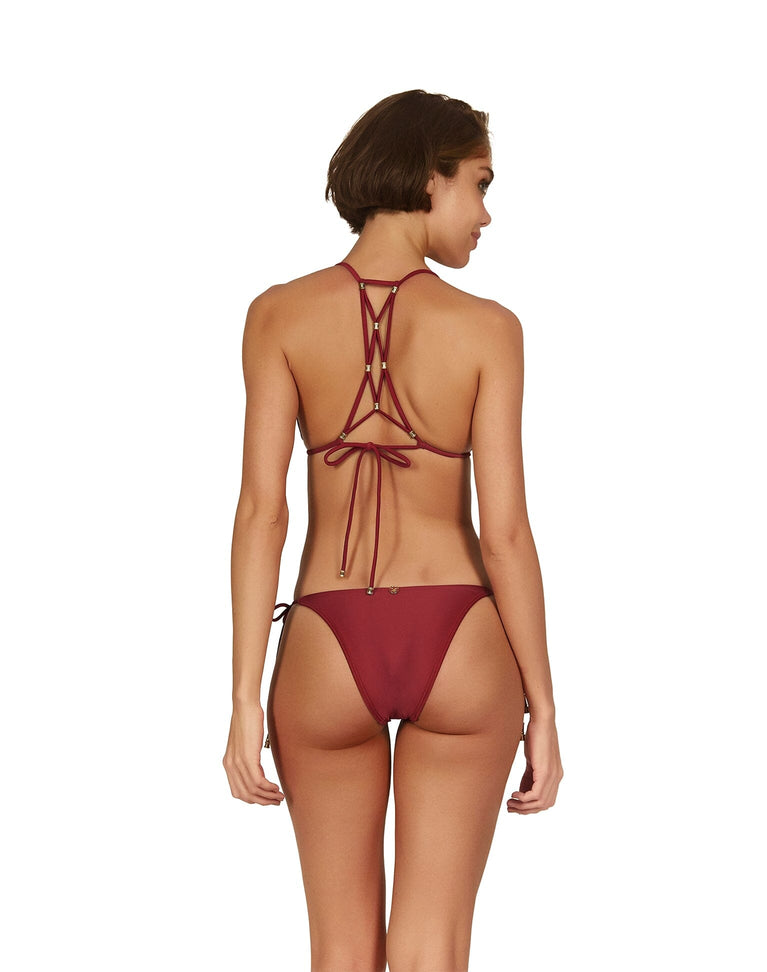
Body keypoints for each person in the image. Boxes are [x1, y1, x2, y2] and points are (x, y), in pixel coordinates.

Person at [223, 89, 563, 971]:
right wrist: (544, 707)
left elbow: (262, 511)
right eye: (479, 183)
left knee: (339, 951)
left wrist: (244, 699)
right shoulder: (488, 329)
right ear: (428, 176)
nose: (485, 213)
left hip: (326, 639)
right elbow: (505, 535)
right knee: (431, 951)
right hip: (460, 637)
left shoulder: (277, 314)